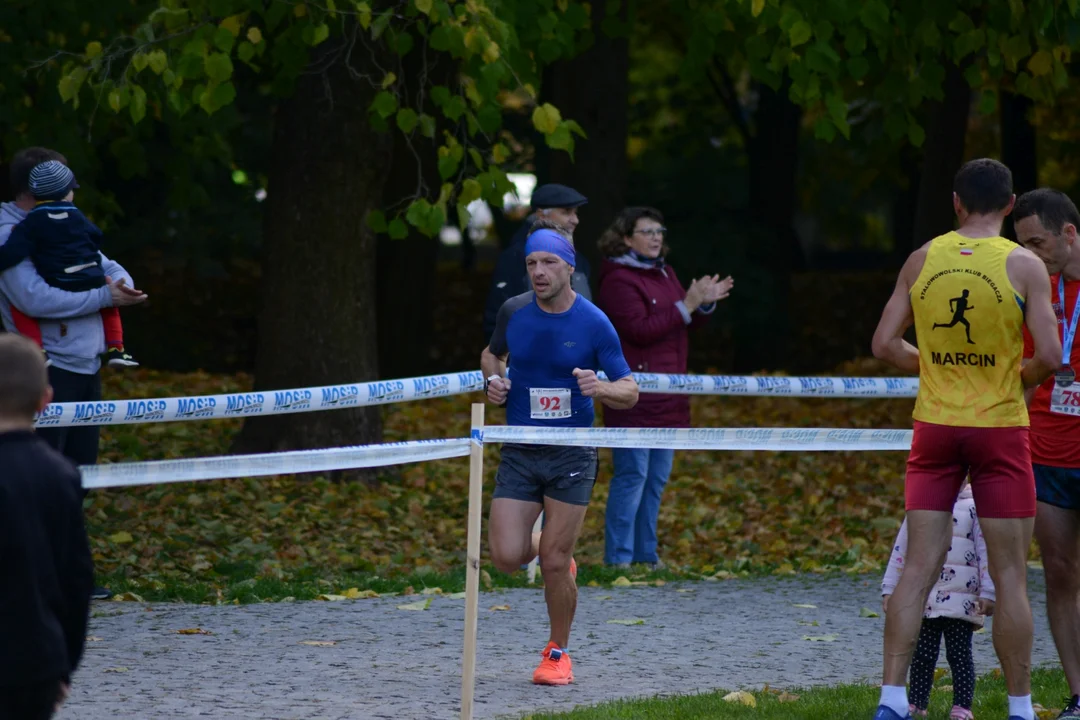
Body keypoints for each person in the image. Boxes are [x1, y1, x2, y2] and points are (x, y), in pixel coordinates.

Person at [870, 157, 1061, 720]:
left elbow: (884, 344)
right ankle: (1021, 708)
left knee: (918, 568)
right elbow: (1050, 355)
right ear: (1010, 204)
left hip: (936, 424)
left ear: (955, 202)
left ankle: (891, 701)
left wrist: (934, 367)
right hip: (999, 427)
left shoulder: (923, 257)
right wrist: (1011, 377)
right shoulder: (1025, 265)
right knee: (1008, 575)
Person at [481, 223, 639, 686]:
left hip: (572, 454)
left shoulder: (593, 321)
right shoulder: (514, 312)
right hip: (521, 450)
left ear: (569, 267)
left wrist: (602, 387)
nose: (538, 271)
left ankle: (557, 653)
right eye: (531, 263)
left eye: (549, 262)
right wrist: (494, 381)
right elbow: (492, 356)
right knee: (507, 557)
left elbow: (629, 390)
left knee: (550, 562)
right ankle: (558, 552)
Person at [0, 146, 147, 601]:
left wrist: (117, 284)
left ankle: (65, 575)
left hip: (86, 363)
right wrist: (106, 298)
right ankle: (32, 580)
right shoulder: (9, 232)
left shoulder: (63, 218)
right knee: (39, 479)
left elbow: (103, 262)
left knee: (76, 476)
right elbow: (33, 299)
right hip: (45, 369)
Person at [594, 206, 733, 568]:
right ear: (625, 238)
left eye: (660, 230)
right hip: (633, 395)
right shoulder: (617, 280)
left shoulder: (664, 272)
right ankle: (618, 561)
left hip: (669, 394)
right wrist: (687, 303)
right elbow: (639, 330)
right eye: (647, 231)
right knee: (632, 476)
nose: (657, 237)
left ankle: (646, 557)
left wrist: (703, 305)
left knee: (655, 480)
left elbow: (680, 324)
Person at [0, 333, 94, 720]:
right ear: (46, 399)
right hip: (36, 662)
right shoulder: (63, 474)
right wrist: (64, 664)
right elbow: (76, 579)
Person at [1014, 188, 1080, 719]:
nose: (1030, 254)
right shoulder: (1035, 286)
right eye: (1022, 245)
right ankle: (1079, 695)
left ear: (1069, 233)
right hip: (1047, 451)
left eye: (1037, 242)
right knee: (1058, 570)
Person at [0, 159, 138, 367]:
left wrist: (121, 287)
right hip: (59, 363)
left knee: (109, 292)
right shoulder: (76, 218)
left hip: (59, 282)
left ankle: (38, 350)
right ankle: (117, 348)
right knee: (107, 296)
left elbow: (13, 251)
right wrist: (105, 294)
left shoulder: (29, 225)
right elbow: (32, 300)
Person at [881, 481, 995, 720]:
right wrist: (890, 588)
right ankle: (916, 703)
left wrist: (988, 592)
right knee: (922, 654)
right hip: (926, 598)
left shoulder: (975, 507)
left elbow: (986, 551)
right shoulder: (922, 504)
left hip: (962, 599)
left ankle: (962, 706)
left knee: (959, 654)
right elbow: (902, 548)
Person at [482, 183, 592, 345]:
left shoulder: (580, 260)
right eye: (566, 212)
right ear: (542, 215)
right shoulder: (515, 258)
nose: (575, 220)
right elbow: (498, 320)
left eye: (575, 213)